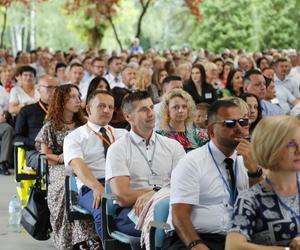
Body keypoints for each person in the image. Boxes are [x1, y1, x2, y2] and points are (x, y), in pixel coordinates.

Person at [163, 100, 262, 250]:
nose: (239, 128)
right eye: (229, 123)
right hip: (198, 237)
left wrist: (254, 171)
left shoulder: (247, 159)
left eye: (243, 122)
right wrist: (196, 245)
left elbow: (261, 204)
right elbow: (179, 215)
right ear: (211, 131)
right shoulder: (191, 162)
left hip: (238, 238)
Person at [105, 91, 186, 238]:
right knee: (167, 227)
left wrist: (155, 194)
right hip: (131, 211)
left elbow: (185, 185)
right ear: (128, 117)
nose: (151, 113)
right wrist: (159, 195)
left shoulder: (173, 146)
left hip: (170, 206)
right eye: (143, 110)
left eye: (151, 107)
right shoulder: (117, 149)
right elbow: (122, 196)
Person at [35, 84, 96, 250]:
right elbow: (45, 155)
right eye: (73, 97)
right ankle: (72, 239)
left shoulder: (84, 125)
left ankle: (88, 236)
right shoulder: (51, 126)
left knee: (87, 180)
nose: (78, 100)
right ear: (62, 101)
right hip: (60, 166)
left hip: (81, 164)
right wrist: (63, 158)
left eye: (78, 96)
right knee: (67, 184)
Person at [225, 116, 300, 250]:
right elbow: (233, 246)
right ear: (270, 147)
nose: (299, 150)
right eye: (291, 144)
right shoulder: (250, 199)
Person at [64, 90, 127, 240]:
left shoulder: (123, 134)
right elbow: (78, 165)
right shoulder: (75, 137)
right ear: (88, 109)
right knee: (105, 210)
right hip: (92, 185)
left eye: (111, 107)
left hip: (122, 182)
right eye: (101, 106)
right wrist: (97, 187)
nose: (107, 110)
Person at [15, 75, 58, 170]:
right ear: (38, 89)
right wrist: (34, 143)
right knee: (46, 161)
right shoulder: (27, 110)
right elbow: (17, 137)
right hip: (35, 152)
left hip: (59, 151)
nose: (54, 91)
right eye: (49, 87)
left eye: (56, 88)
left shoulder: (63, 111)